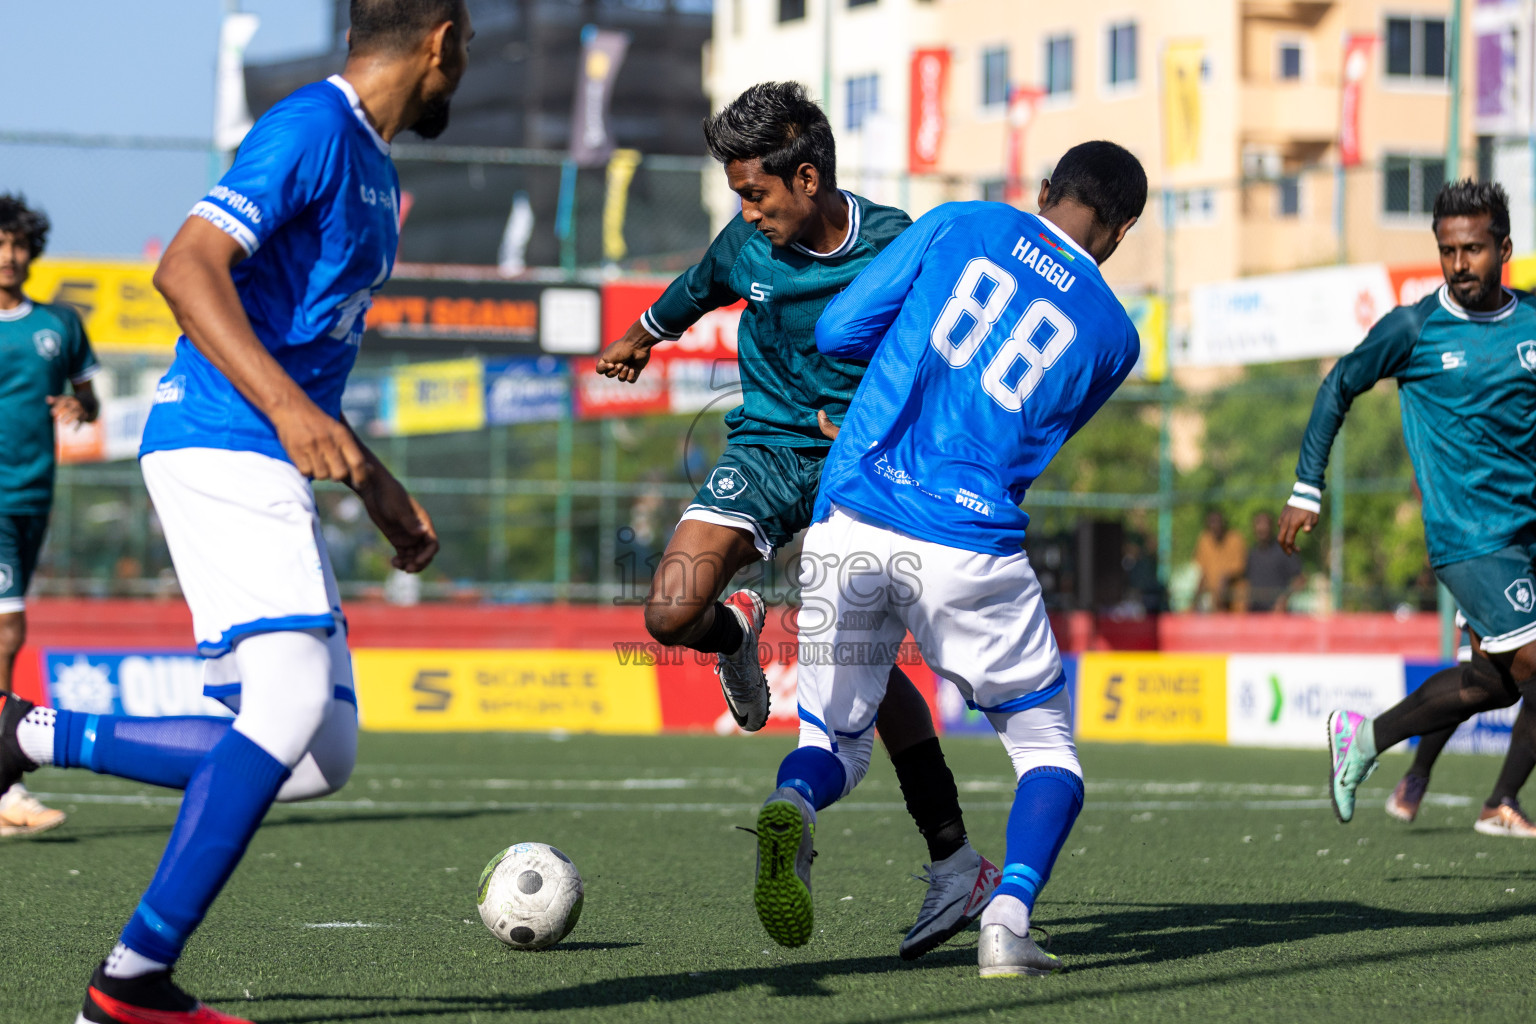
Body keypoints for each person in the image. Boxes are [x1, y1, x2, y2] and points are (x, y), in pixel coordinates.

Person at [0, 3, 468, 1020]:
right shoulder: (310, 126)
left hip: (258, 451)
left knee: (315, 754)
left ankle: (26, 732)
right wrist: (295, 414)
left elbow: (307, 352)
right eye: (463, 50)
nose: (460, 71)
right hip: (219, 439)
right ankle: (132, 985)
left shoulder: (376, 170)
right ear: (438, 39)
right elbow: (185, 267)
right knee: (289, 704)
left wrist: (372, 479)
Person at [596, 81, 994, 959]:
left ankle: (951, 855)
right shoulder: (747, 243)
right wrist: (640, 335)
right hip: (766, 452)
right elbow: (698, 287)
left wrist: (876, 425)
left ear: (807, 177)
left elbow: (950, 359)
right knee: (667, 612)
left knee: (864, 663)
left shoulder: (896, 245)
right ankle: (737, 636)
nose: (746, 211)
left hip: (861, 472)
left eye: (756, 194)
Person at [749, 141, 1145, 976]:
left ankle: (793, 805)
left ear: (1043, 192)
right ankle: (1007, 918)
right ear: (1122, 230)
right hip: (967, 544)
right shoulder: (1116, 335)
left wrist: (903, 362)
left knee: (835, 745)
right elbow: (1041, 430)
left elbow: (835, 330)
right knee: (1045, 753)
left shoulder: (965, 221)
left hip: (852, 516)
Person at [1280, 180, 1536, 838]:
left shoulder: (1531, 323)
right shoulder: (1415, 327)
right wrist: (1308, 485)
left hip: (1526, 531)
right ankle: (1496, 802)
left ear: (1504, 248)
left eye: (1473, 249)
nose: (1459, 264)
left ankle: (1363, 740)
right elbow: (1339, 383)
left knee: (1491, 684)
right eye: (1447, 250)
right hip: (1470, 538)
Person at [0, 194, 100, 838]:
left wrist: (75, 409)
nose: (9, 256)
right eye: (0, 243)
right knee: (8, 628)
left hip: (33, 495)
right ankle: (5, 778)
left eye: (18, 244)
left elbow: (87, 401)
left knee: (7, 629)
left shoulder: (59, 325)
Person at [1244, 510, 1300, 612]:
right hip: (1254, 613)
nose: (1262, 528)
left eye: (1265, 524)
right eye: (1258, 524)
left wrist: (1284, 600)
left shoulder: (1284, 550)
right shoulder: (1250, 553)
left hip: (1278, 613)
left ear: (1272, 526)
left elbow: (1299, 580)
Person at [1193, 509, 1246, 611]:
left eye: (1218, 523)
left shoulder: (1235, 539)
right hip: (1214, 601)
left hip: (1234, 599)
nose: (1215, 527)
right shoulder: (1204, 540)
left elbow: (1239, 568)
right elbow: (1202, 572)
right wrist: (1196, 599)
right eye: (1212, 523)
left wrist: (1225, 580)